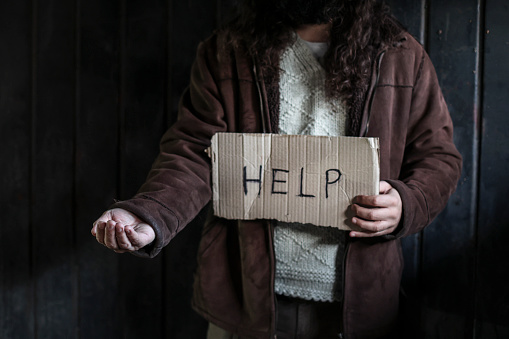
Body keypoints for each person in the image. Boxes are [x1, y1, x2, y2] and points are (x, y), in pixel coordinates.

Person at [91, 0, 462, 338]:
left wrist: (405, 203)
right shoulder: (228, 50)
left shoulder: (400, 54)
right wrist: (148, 213)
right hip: (244, 302)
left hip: (361, 310)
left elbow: (439, 159)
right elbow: (194, 152)